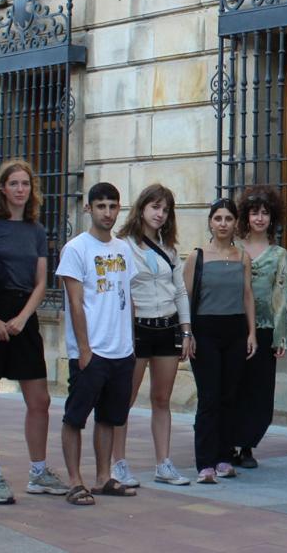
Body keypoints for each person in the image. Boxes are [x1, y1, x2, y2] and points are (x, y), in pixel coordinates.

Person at [0, 159, 69, 505]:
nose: (21, 189)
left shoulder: (37, 231)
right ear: (2, 189)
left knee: (39, 399)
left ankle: (38, 472)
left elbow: (41, 282)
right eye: (14, 183)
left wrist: (24, 318)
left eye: (26, 183)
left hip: (24, 316)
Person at [56, 181, 139, 506]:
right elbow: (75, 303)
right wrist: (85, 349)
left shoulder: (122, 249)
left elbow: (127, 297)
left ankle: (103, 477)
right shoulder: (77, 249)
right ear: (88, 208)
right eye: (101, 206)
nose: (107, 213)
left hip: (121, 351)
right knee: (75, 418)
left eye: (113, 206)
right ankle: (75, 481)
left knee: (110, 418)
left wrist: (130, 343)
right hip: (92, 352)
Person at [111, 184, 194, 488]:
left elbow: (181, 291)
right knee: (126, 398)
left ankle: (164, 463)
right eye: (155, 207)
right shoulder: (122, 245)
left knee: (162, 398)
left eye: (165, 209)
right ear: (142, 208)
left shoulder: (169, 248)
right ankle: (118, 462)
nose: (160, 214)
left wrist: (186, 330)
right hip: (136, 329)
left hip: (167, 327)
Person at [185, 198, 257, 482]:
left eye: (228, 219)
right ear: (210, 222)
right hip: (205, 330)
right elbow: (187, 297)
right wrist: (187, 334)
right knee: (209, 398)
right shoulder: (197, 257)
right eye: (218, 218)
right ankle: (205, 462)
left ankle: (225, 456)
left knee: (230, 396)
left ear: (236, 223)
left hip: (236, 329)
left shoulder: (242, 257)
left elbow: (248, 295)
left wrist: (251, 332)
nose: (223, 224)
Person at [234, 185, 287, 468]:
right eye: (254, 212)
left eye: (265, 213)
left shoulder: (279, 254)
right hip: (233, 327)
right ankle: (227, 442)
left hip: (265, 328)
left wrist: (280, 336)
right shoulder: (232, 248)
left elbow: (282, 294)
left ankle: (246, 446)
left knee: (258, 391)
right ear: (245, 215)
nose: (259, 218)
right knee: (233, 386)